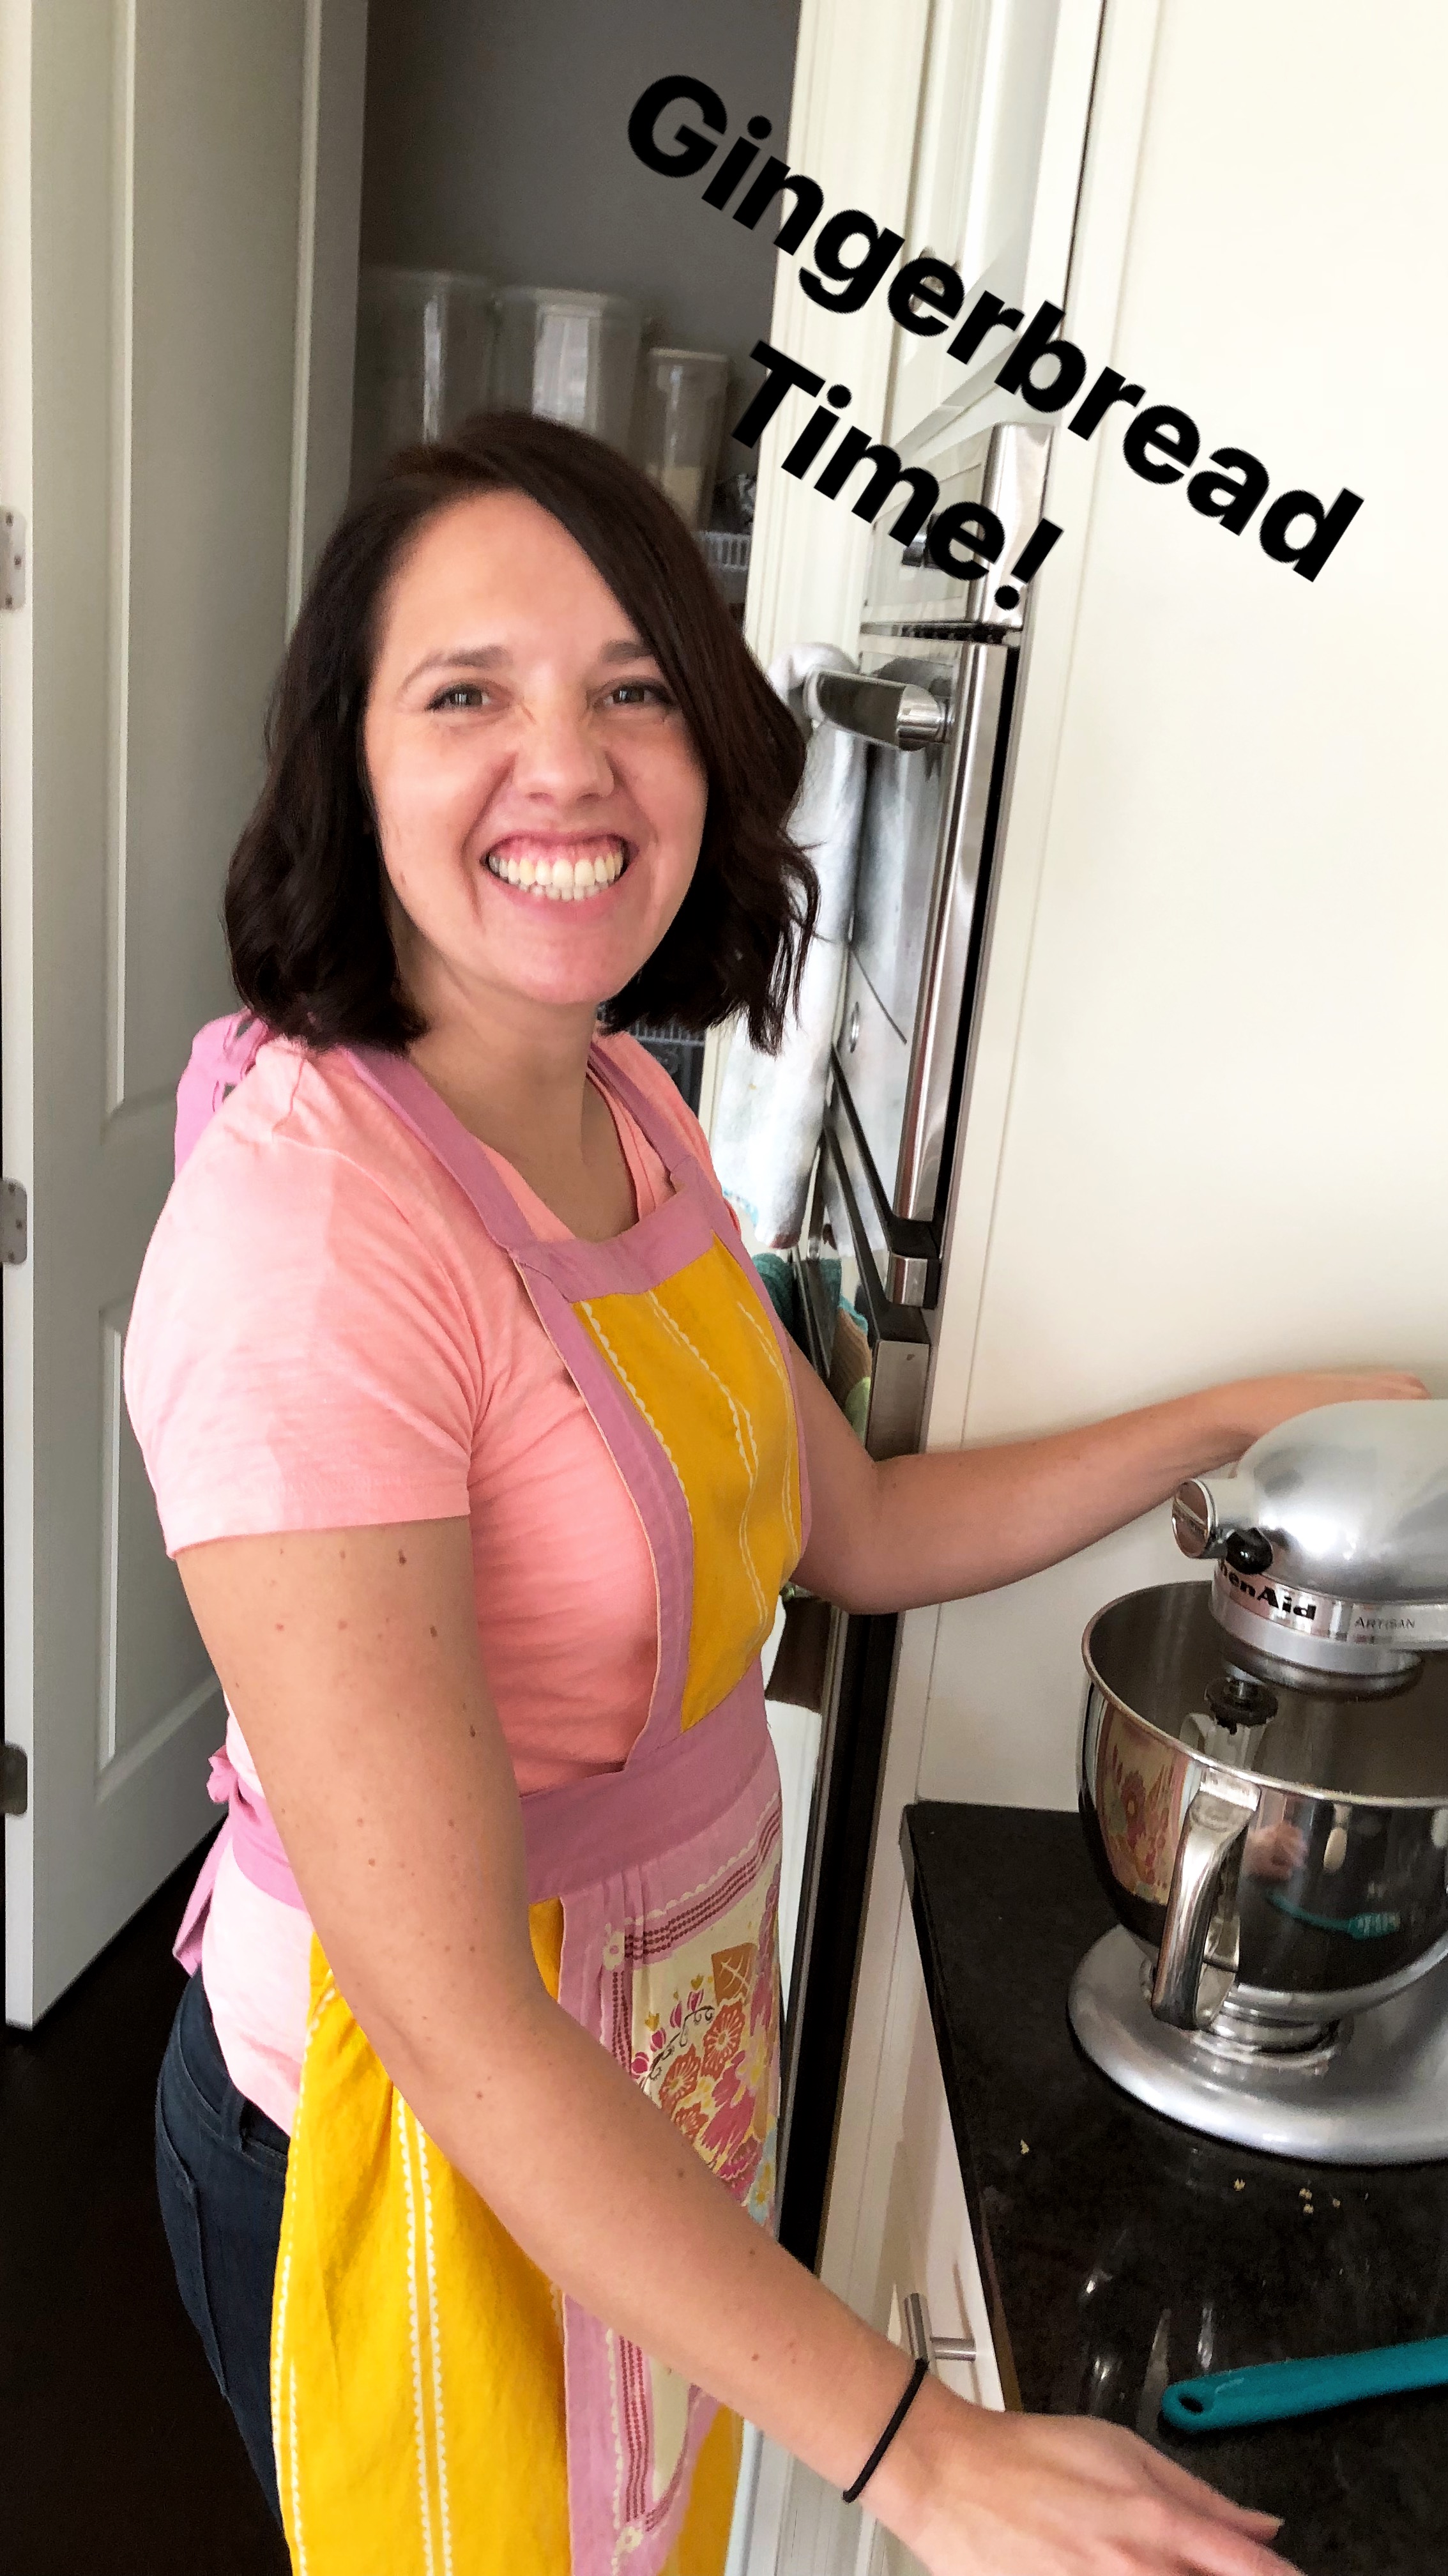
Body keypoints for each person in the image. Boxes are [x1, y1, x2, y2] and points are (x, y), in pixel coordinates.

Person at [125, 411, 1418, 2576]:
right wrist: (920, 2450)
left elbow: (862, 1532)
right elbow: (446, 2007)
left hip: (648, 2058)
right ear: (346, 768)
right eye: (467, 694)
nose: (571, 760)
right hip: (398, 2130)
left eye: (635, 685)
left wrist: (1256, 1418)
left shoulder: (625, 1102)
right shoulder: (312, 1244)